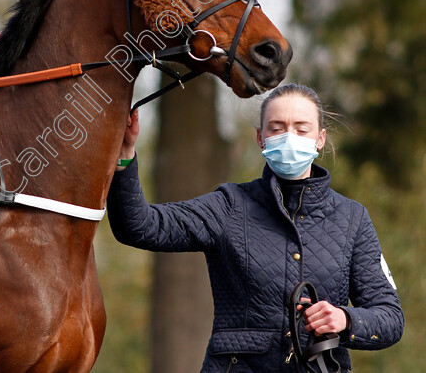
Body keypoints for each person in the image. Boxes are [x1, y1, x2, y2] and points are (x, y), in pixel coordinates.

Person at [108, 84, 404, 372]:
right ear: (260, 138)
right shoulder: (228, 205)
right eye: (276, 128)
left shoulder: (353, 218)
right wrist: (124, 156)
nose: (289, 137)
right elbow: (140, 226)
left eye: (301, 129)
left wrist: (344, 319)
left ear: (320, 139)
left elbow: (390, 318)